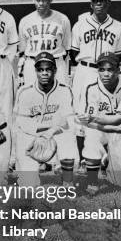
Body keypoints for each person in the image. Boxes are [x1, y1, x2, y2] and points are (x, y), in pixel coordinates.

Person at [70, 0, 121, 172]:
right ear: (91, 3)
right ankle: (83, 159)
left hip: (106, 74)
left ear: (108, 3)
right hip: (85, 70)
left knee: (105, 113)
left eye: (102, 0)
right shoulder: (80, 25)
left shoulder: (118, 26)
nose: (99, 3)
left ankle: (105, 157)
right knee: (81, 116)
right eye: (95, 0)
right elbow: (74, 53)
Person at [13, 52, 77, 187]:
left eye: (48, 69)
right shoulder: (25, 91)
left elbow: (67, 119)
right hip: (32, 135)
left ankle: (67, 181)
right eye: (40, 70)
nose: (44, 73)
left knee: (69, 133)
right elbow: (21, 122)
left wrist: (49, 133)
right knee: (28, 186)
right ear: (35, 71)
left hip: (55, 132)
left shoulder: (65, 90)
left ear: (55, 70)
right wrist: (41, 135)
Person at [76, 53, 121, 195]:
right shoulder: (90, 86)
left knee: (120, 182)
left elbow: (119, 119)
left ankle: (107, 160)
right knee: (91, 137)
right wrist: (96, 121)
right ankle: (92, 181)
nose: (105, 74)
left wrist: (95, 119)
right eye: (101, 69)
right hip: (101, 129)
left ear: (119, 69)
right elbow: (87, 122)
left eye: (110, 69)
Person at [18, 0, 72, 86]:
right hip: (33, 64)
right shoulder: (25, 21)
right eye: (38, 0)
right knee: (32, 98)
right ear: (33, 0)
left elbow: (66, 46)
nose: (41, 3)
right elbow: (23, 49)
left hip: (56, 64)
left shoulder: (63, 19)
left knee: (60, 98)